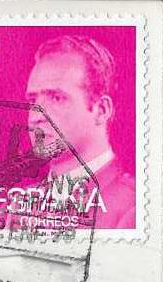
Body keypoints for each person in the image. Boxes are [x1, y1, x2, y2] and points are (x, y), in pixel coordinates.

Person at [25, 35, 135, 229]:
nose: (35, 117)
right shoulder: (17, 206)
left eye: (57, 98)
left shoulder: (134, 209)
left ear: (101, 110)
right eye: (33, 101)